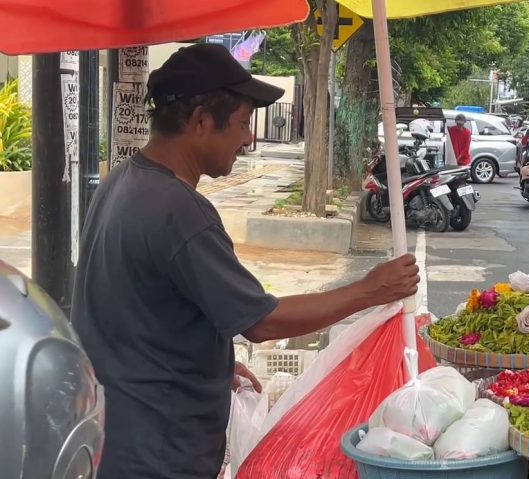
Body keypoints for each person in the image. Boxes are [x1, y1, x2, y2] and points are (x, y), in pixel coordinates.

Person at [70, 44, 420, 479]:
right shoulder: (179, 212)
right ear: (200, 121)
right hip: (156, 452)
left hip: (115, 433)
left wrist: (207, 362)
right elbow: (262, 321)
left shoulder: (123, 180)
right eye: (241, 123)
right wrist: (369, 290)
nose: (249, 138)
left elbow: (135, 310)